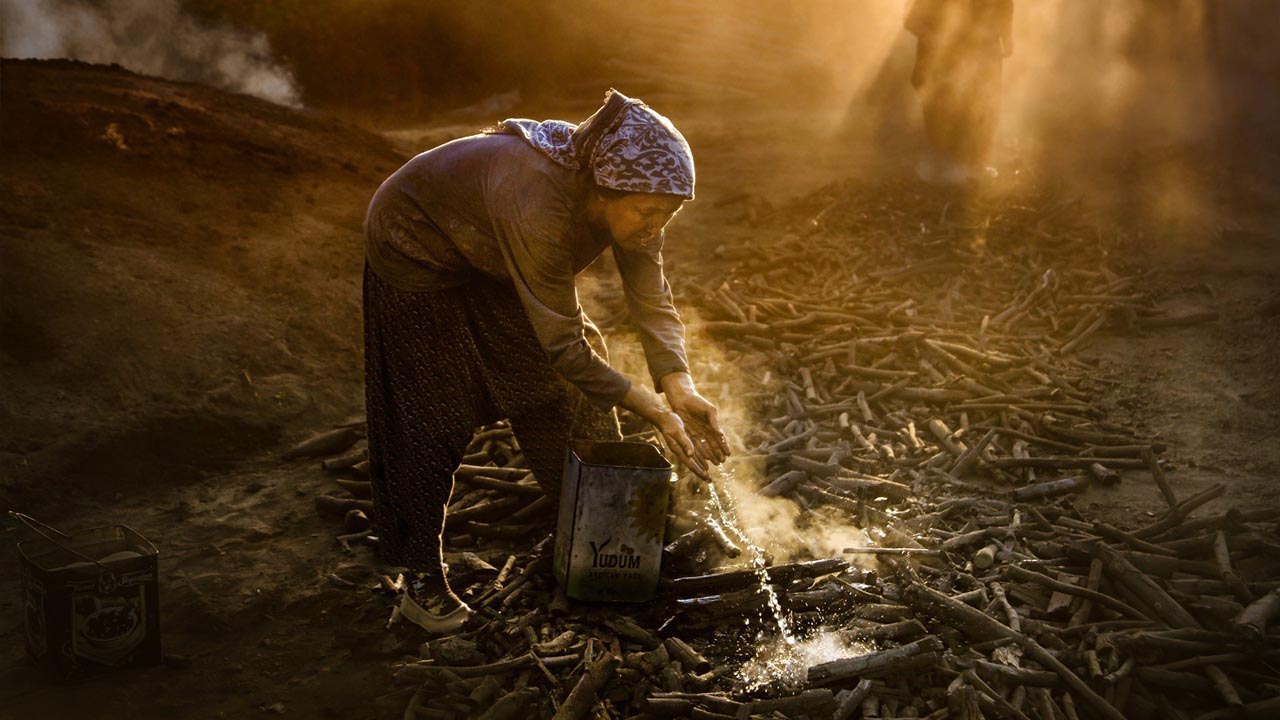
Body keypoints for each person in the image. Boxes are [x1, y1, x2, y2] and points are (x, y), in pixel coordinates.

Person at [362, 89, 730, 631]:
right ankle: (419, 580)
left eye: (668, 214)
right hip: (416, 252)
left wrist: (678, 384)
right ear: (603, 193)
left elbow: (651, 298)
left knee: (568, 392)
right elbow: (562, 347)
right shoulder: (540, 201)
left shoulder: (634, 200)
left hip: (490, 255)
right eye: (648, 212)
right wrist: (651, 410)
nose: (655, 225)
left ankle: (591, 539)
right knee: (434, 416)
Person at [905, 0, 1014, 183]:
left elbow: (1004, 4)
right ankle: (947, 161)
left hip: (980, 45)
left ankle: (972, 162)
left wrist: (1006, 35)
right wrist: (935, 37)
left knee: (981, 100)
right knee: (944, 101)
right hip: (945, 49)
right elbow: (913, 18)